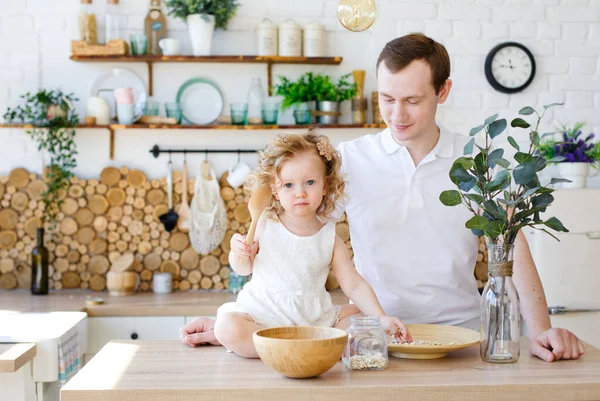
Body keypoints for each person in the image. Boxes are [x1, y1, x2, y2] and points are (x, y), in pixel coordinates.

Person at [181, 33, 584, 362]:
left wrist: (542, 329)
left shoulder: (477, 161)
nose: (397, 115)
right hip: (369, 336)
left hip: (460, 338)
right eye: (387, 99)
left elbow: (513, 248)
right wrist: (249, 322)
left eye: (412, 100)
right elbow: (293, 237)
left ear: (443, 91)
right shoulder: (349, 161)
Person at [210, 132, 412, 358]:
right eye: (288, 185)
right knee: (226, 326)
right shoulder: (265, 225)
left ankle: (287, 347)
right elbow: (243, 268)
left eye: (310, 182)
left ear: (325, 185)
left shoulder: (330, 239)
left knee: (360, 316)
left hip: (314, 319)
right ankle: (298, 348)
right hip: (264, 314)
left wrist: (380, 317)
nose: (300, 193)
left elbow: (354, 286)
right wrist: (239, 252)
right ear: (275, 191)